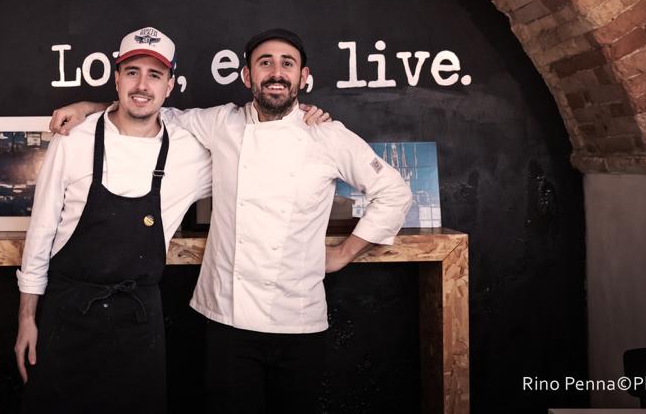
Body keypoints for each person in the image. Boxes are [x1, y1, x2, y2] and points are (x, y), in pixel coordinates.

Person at [51, 28, 413, 414]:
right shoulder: (221, 122)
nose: (276, 72)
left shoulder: (327, 135)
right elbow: (152, 107)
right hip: (227, 318)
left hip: (300, 319)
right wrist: (89, 106)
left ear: (304, 77)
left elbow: (394, 193)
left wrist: (343, 254)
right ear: (246, 76)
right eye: (265, 63)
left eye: (287, 64)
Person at [14, 26, 212, 413]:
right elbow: (40, 233)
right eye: (132, 71)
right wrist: (26, 319)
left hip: (139, 323)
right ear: (116, 78)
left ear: (170, 86)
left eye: (155, 75)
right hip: (67, 315)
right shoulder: (74, 138)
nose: (142, 84)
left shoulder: (191, 150)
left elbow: (252, 143)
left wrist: (300, 115)